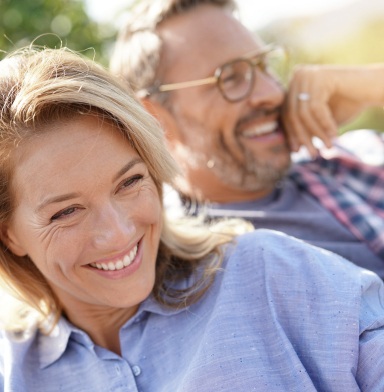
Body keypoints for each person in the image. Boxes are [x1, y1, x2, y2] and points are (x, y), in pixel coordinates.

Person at [1, 46, 384, 391]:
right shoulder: (12, 373)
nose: (117, 233)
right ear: (9, 235)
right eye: (66, 212)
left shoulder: (273, 275)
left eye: (130, 181)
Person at [110, 0, 384, 278]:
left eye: (264, 65)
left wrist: (371, 85)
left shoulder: (345, 160)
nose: (273, 93)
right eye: (229, 78)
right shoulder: (173, 264)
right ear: (153, 116)